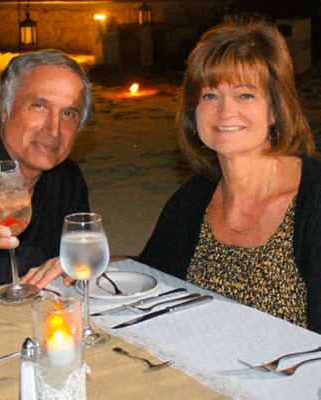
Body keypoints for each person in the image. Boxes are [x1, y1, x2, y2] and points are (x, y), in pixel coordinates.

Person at [137, 18, 321, 334]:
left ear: (275, 110)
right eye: (210, 95)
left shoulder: (313, 200)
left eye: (245, 95)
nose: (225, 112)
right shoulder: (193, 199)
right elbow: (148, 278)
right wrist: (92, 267)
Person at [0, 49, 93, 286]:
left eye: (68, 113)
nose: (53, 130)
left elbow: (84, 253)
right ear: (4, 109)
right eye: (39, 105)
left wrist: (75, 263)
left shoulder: (67, 180)